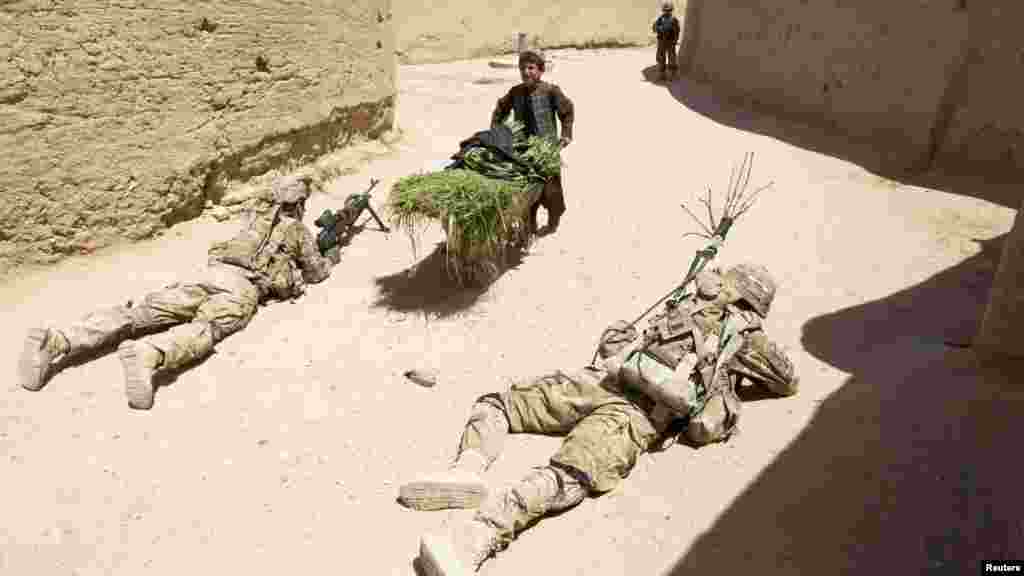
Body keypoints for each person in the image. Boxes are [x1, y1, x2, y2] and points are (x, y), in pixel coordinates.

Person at [400, 263, 800, 576]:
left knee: (500, 404)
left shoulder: (690, 296)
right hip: (638, 414)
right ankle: (478, 535)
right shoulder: (748, 335)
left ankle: (466, 470)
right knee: (570, 474)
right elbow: (787, 382)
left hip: (604, 380)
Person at [17, 174, 336, 410]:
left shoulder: (252, 218)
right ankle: (150, 354)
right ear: (301, 204)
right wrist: (332, 254)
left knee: (140, 313)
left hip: (211, 272)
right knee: (207, 326)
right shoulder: (297, 230)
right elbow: (316, 272)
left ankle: (58, 339)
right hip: (242, 285)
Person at [491, 50, 575, 234]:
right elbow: (500, 109)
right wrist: (497, 132)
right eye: (522, 68)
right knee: (528, 192)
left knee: (552, 192)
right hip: (523, 150)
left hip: (547, 150)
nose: (526, 72)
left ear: (541, 70)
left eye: (531, 68)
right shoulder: (516, 92)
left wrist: (566, 134)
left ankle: (554, 220)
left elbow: (567, 110)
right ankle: (530, 226)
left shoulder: (550, 91)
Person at [652, 2, 681, 82]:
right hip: (661, 41)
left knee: (672, 58)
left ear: (671, 10)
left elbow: (677, 31)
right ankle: (662, 74)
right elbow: (654, 28)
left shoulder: (674, 19)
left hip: (670, 42)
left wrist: (675, 40)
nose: (667, 12)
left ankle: (673, 74)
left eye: (669, 10)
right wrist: (659, 28)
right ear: (663, 10)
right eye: (665, 10)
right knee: (661, 58)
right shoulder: (660, 19)